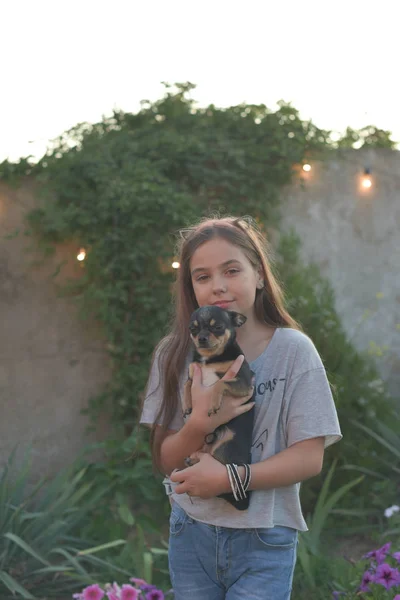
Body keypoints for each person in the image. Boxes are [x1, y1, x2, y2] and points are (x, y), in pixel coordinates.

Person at [140, 216, 342, 600]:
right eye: (202, 276)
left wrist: (230, 479)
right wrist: (199, 421)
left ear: (260, 275)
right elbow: (167, 459)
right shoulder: (173, 355)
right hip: (191, 531)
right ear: (190, 288)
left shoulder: (293, 352)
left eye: (231, 270)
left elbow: (309, 458)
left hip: (264, 539)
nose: (218, 285)